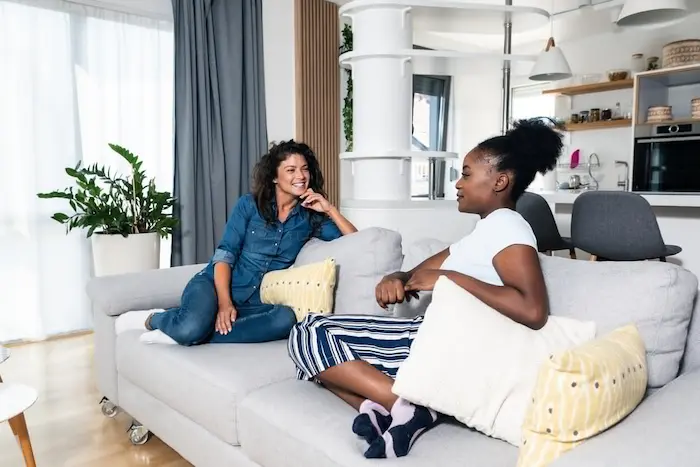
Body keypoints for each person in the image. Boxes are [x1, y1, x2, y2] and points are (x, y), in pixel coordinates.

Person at [287, 119, 563, 459]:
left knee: (309, 333)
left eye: (466, 174)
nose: (458, 183)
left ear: (500, 181)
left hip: (446, 345)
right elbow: (414, 273)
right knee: (313, 360)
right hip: (433, 338)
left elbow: (533, 310)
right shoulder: (483, 233)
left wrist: (448, 279)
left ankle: (405, 406)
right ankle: (379, 409)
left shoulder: (510, 227)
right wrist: (397, 277)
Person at [115, 140, 357, 345]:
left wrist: (329, 209)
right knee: (190, 328)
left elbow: (356, 242)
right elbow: (225, 255)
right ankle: (157, 319)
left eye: (304, 169)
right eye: (291, 170)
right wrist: (224, 303)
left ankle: (192, 330)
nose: (300, 176)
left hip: (254, 301)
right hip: (214, 285)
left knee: (285, 319)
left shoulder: (311, 217)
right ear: (275, 177)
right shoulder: (249, 205)